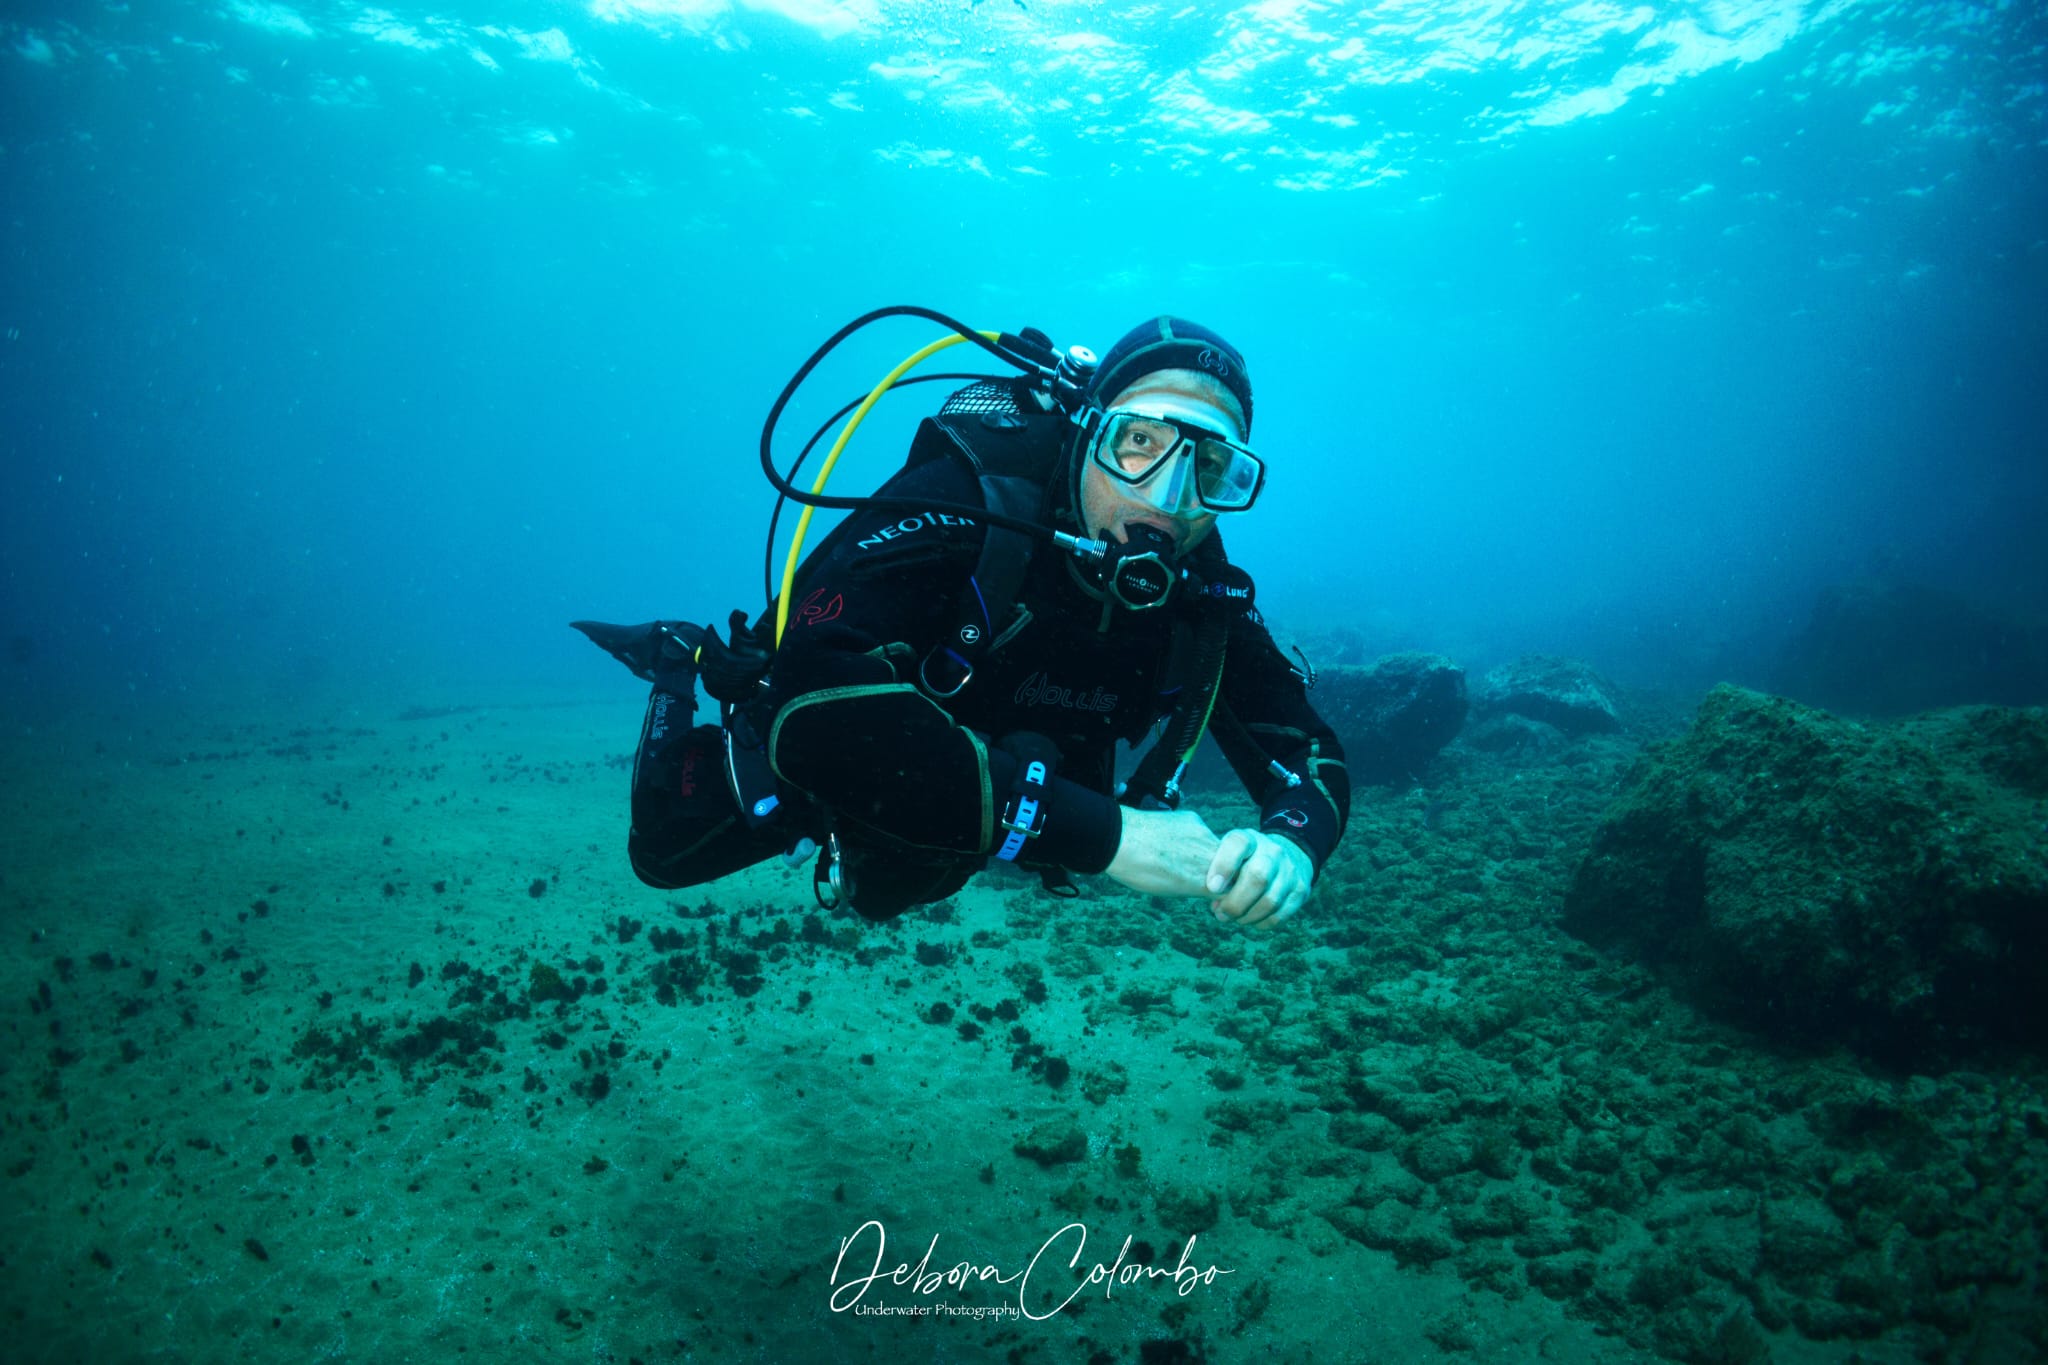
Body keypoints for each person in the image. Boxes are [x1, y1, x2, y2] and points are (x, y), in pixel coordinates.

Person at [596, 316, 1349, 928]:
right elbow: (811, 700)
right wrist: (1113, 836)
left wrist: (1293, 845)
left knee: (914, 871)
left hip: (984, 790)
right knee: (664, 852)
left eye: (1211, 466)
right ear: (1088, 431)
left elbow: (1306, 746)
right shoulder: (972, 500)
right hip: (865, 756)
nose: (1168, 495)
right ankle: (673, 659)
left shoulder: (1200, 586)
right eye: (1139, 442)